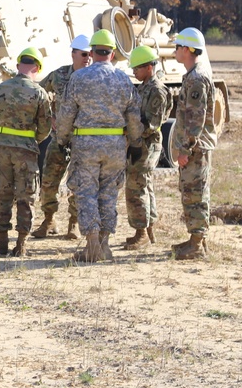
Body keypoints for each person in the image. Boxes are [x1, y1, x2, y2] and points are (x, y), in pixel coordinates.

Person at [55, 29, 144, 263]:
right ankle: (104, 246)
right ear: (113, 54)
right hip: (115, 145)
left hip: (86, 144)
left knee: (86, 193)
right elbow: (134, 116)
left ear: (92, 53)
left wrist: (61, 139)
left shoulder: (79, 78)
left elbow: (66, 113)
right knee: (108, 194)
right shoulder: (124, 80)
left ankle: (92, 245)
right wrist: (135, 143)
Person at [0, 47, 52, 257]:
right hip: (26, 150)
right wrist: (32, 139)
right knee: (26, 196)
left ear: (18, 66)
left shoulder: (0, 89)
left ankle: (3, 243)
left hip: (2, 149)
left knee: (2, 195)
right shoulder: (39, 93)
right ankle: (21, 245)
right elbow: (45, 127)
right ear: (37, 68)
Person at [32, 34, 93, 240]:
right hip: (59, 139)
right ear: (73, 54)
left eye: (90, 54)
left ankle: (73, 224)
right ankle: (48, 221)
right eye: (84, 54)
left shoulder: (94, 78)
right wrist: (48, 118)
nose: (88, 58)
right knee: (49, 180)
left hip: (82, 139)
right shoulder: (59, 76)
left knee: (79, 183)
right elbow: (38, 94)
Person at [170, 27, 218, 260]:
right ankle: (196, 240)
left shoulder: (197, 79)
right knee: (192, 193)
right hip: (196, 146)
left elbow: (195, 120)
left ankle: (197, 245)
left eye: (178, 46)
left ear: (188, 50)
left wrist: (185, 149)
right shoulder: (194, 75)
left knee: (195, 194)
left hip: (196, 147)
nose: (175, 50)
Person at [123, 45, 172, 250]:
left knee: (137, 186)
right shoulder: (144, 87)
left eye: (137, 68)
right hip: (139, 143)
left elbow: (152, 123)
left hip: (146, 143)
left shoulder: (157, 91)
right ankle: (148, 230)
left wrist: (132, 135)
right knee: (145, 185)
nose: (134, 71)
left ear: (149, 68)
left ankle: (141, 233)